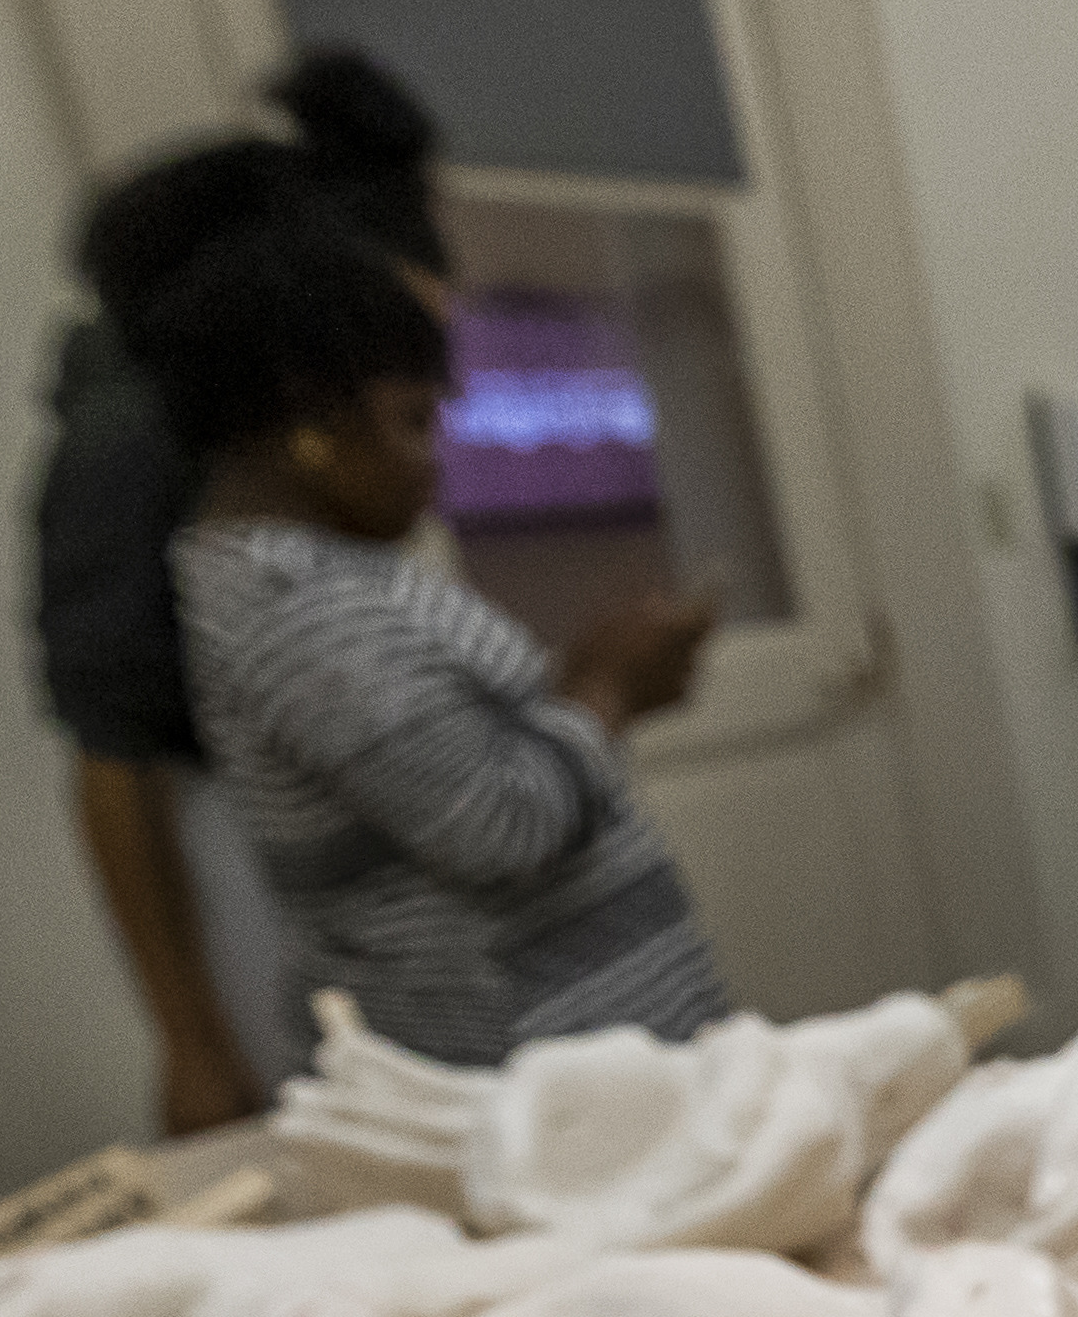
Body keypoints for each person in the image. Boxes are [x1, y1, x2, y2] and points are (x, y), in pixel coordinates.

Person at [151, 210, 729, 1067]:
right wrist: (607, 686)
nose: (437, 458)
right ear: (308, 421)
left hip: (571, 1045)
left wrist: (588, 684)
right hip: (523, 1067)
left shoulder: (321, 582)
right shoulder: (301, 609)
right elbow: (498, 826)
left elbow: (462, 771)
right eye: (413, 421)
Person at [26, 49, 446, 1130]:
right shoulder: (142, 437)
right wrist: (191, 1039)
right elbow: (112, 751)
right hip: (241, 849)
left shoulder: (306, 457)